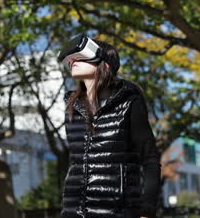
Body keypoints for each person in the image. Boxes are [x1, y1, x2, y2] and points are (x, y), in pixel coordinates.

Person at [57, 35, 161, 218]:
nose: (73, 61)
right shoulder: (71, 108)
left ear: (105, 63)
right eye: (72, 59)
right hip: (74, 213)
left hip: (118, 211)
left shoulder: (129, 102)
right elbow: (75, 165)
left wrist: (147, 211)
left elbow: (150, 158)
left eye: (81, 56)